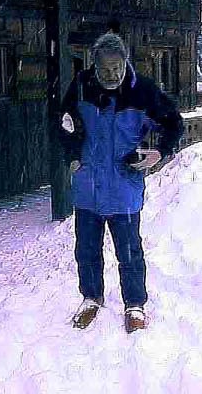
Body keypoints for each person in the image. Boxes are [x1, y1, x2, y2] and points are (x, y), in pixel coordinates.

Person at [59, 33, 184, 333]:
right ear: (94, 65)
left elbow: (174, 123)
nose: (112, 74)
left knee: (128, 252)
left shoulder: (143, 91)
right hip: (87, 186)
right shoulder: (81, 86)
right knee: (86, 249)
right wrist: (72, 156)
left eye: (117, 67)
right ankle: (91, 298)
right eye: (105, 69)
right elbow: (63, 120)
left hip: (124, 187)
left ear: (125, 62)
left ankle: (135, 305)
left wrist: (159, 152)